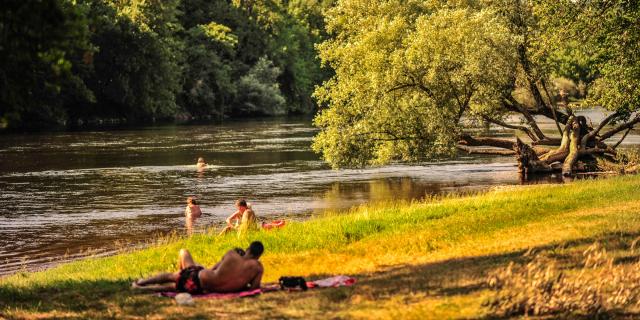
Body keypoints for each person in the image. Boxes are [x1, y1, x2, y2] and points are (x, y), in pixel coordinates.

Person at [132, 241, 264, 294]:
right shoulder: (258, 268)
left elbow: (213, 269)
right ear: (258, 256)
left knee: (171, 275)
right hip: (200, 288)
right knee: (172, 287)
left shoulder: (231, 255)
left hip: (198, 277)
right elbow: (254, 289)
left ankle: (140, 283)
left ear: (247, 249)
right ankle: (142, 288)